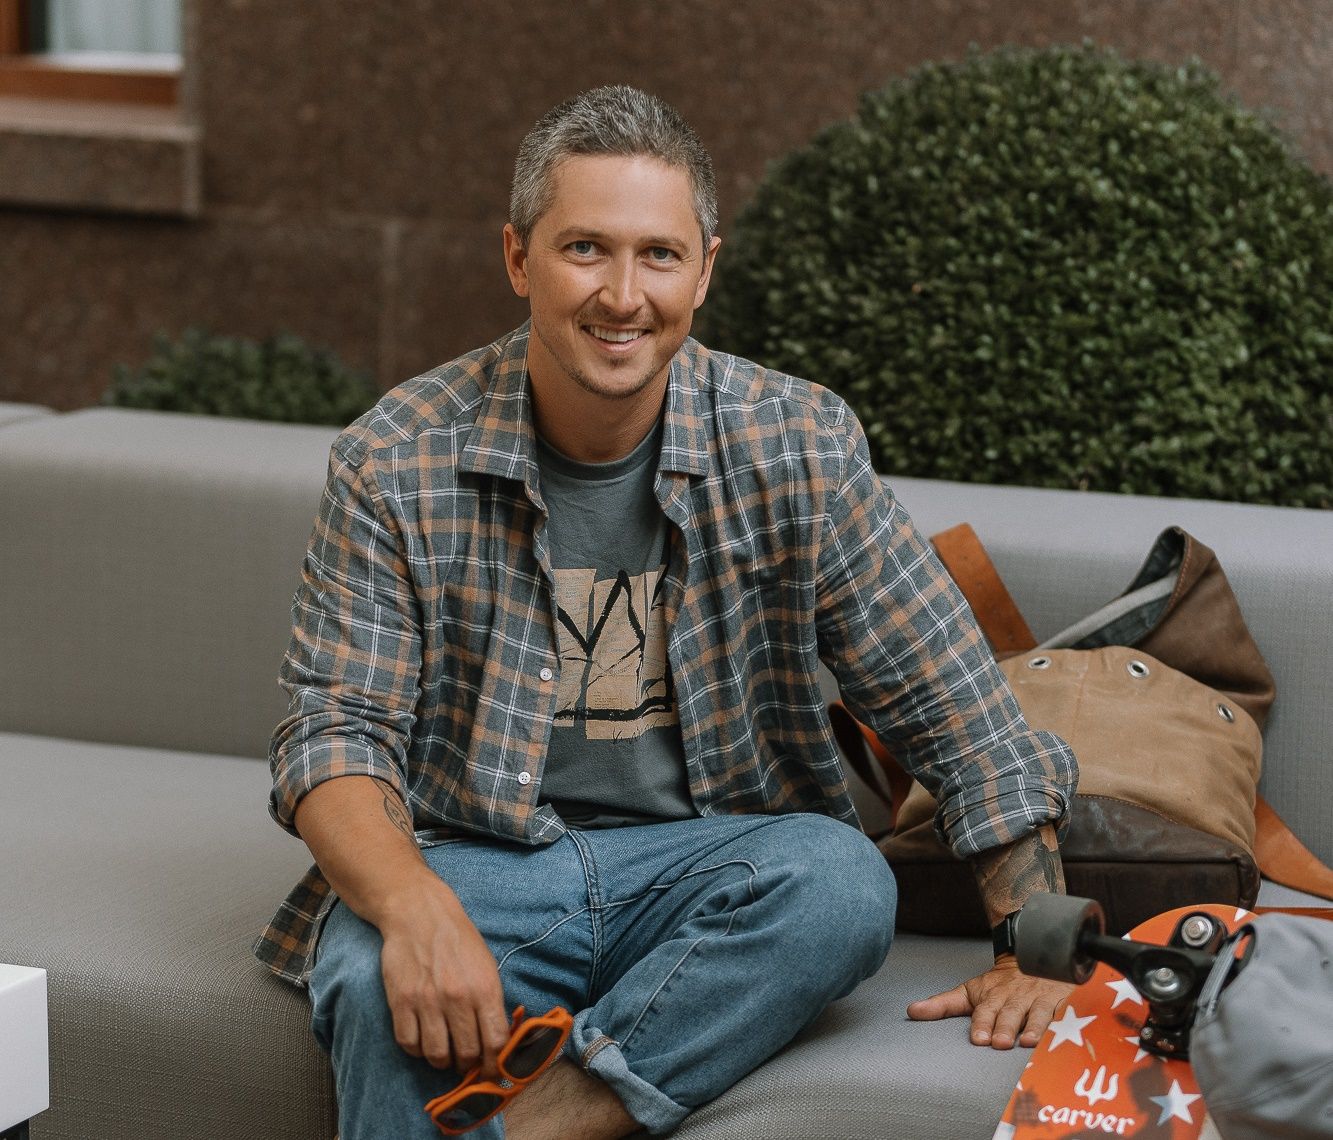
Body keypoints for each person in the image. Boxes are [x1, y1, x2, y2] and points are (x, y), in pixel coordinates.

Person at [256, 85, 1078, 1139]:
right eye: (584, 249)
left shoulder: (795, 443)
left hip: (714, 867)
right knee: (372, 972)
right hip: (484, 866)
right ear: (517, 259)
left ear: (704, 270)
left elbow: (952, 706)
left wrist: (1036, 948)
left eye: (658, 255)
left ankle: (545, 1123)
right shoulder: (395, 459)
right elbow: (334, 732)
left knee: (838, 884)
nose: (622, 295)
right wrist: (414, 909)